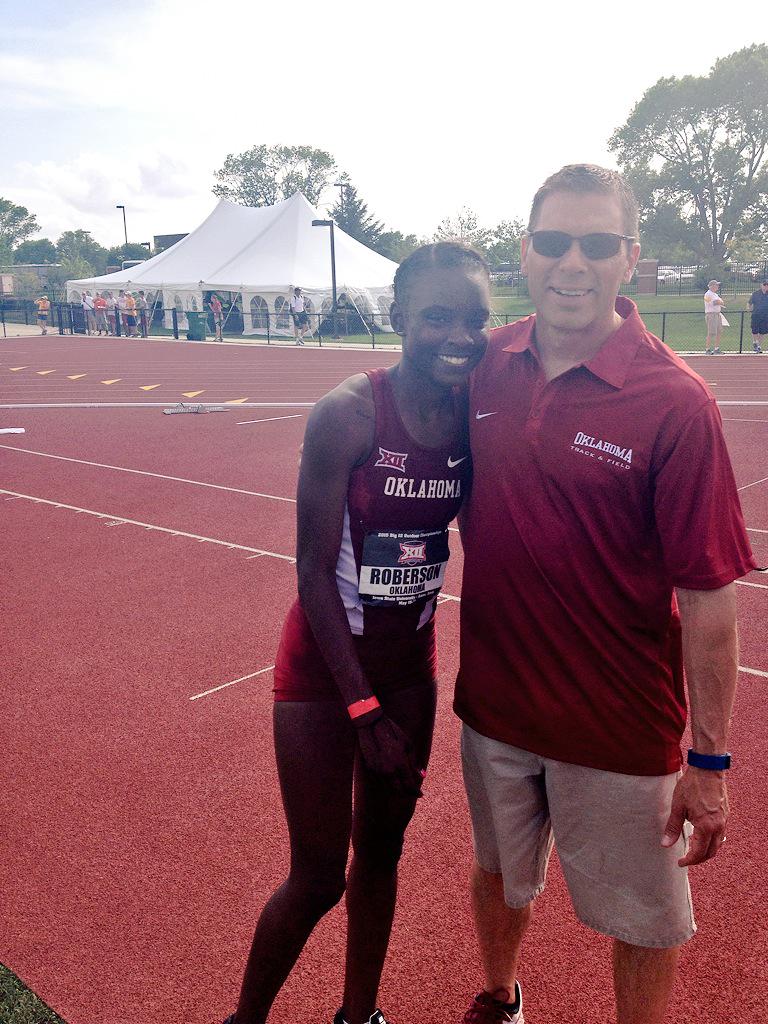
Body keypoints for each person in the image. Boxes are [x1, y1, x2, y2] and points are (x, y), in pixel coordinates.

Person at [455, 164, 756, 1024]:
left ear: (630, 257)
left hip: (620, 729)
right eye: (553, 242)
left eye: (595, 244)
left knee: (647, 929)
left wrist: (710, 762)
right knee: (496, 876)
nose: (571, 263)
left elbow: (707, 599)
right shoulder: (484, 367)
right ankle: (501, 998)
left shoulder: (676, 403)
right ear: (526, 252)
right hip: (496, 713)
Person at [224, 243, 491, 1024]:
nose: (458, 335)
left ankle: (358, 1016)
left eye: (475, 319)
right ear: (400, 318)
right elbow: (311, 573)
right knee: (318, 875)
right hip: (324, 671)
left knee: (381, 855)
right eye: (437, 316)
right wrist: (362, 711)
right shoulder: (349, 411)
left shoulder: (473, 415)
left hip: (410, 668)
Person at [703, 278, 725, 353]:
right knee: (711, 332)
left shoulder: (715, 294)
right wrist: (719, 302)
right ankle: (707, 349)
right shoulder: (707, 294)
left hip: (717, 314)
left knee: (719, 331)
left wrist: (719, 302)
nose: (718, 286)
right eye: (716, 285)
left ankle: (716, 348)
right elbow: (713, 303)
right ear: (712, 286)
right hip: (711, 314)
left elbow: (721, 302)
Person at [747, 279, 768, 354]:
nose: (766, 286)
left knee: (763, 331)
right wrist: (748, 308)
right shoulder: (756, 294)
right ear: (761, 285)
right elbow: (749, 302)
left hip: (765, 315)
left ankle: (758, 345)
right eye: (765, 285)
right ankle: (755, 342)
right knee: (754, 330)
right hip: (756, 314)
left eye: (767, 285)